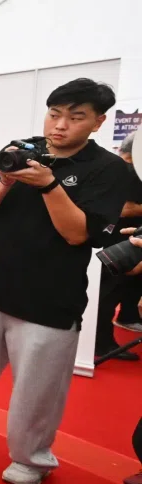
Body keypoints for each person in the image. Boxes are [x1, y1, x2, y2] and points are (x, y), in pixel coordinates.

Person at [0, 78, 130, 484]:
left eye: (75, 117)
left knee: (38, 387)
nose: (60, 125)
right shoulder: (20, 149)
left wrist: (49, 185)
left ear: (98, 122)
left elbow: (77, 234)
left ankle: (32, 457)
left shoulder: (107, 169)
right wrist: (6, 180)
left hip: (50, 298)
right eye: (55, 114)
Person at [95, 132, 142, 359]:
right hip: (118, 240)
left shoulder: (118, 169)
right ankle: (102, 344)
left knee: (113, 291)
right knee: (108, 293)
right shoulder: (129, 173)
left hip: (119, 239)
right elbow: (124, 208)